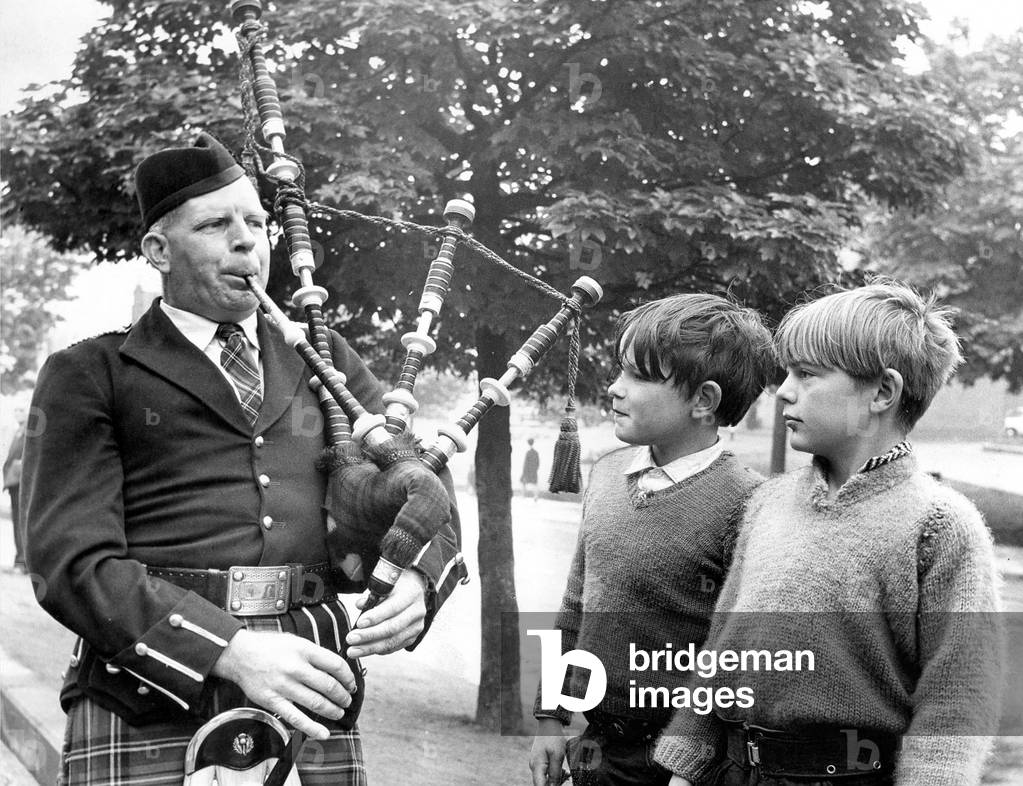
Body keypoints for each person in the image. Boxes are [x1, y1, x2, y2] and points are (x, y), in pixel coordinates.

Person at [22, 133, 466, 786]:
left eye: (258, 222)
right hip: (146, 688)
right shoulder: (90, 373)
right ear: (157, 251)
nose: (247, 241)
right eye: (215, 224)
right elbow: (70, 561)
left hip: (310, 681)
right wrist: (226, 649)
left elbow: (420, 478)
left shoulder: (324, 356)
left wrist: (419, 577)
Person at [654, 280, 1002, 786]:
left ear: (883, 392)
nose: (785, 391)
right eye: (787, 373)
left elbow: (958, 698)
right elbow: (721, 650)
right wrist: (685, 769)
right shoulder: (768, 503)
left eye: (808, 374)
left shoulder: (939, 525)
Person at [529, 294, 776, 786]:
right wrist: (550, 720)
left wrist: (688, 768)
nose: (614, 389)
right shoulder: (607, 474)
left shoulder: (749, 504)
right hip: (597, 752)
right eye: (619, 371)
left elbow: (738, 659)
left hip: (682, 765)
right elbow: (576, 605)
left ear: (703, 401)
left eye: (638, 377)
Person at [3, 409, 27, 572]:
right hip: (14, 483)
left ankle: (22, 562)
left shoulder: (29, 429)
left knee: (21, 523)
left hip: (20, 482)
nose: (16, 413)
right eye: (15, 410)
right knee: (18, 522)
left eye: (21, 410)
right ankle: (19, 560)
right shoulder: (19, 430)